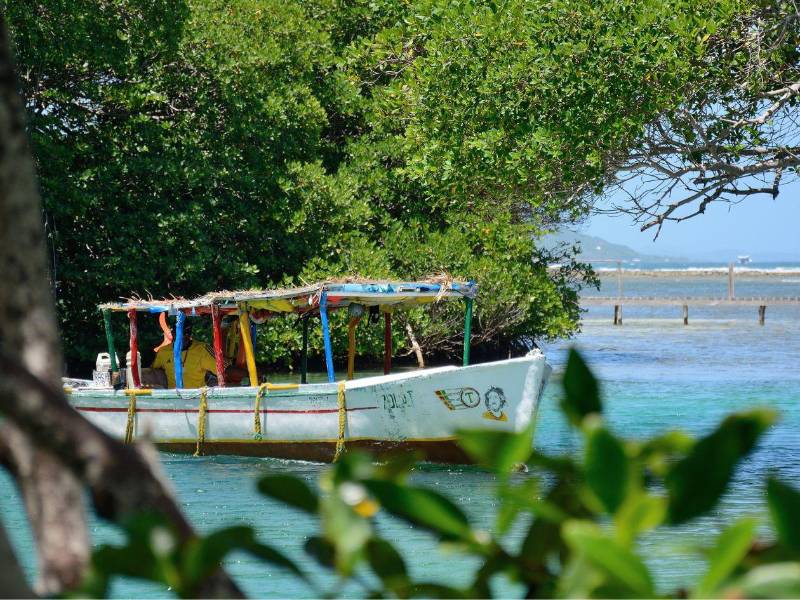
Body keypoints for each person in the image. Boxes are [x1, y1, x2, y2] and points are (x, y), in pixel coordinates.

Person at [151, 319, 222, 388]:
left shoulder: (203, 349)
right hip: (173, 397)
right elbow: (154, 372)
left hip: (197, 397)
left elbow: (223, 371)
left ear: (190, 333)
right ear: (173, 334)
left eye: (187, 333)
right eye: (180, 333)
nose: (184, 336)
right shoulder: (163, 352)